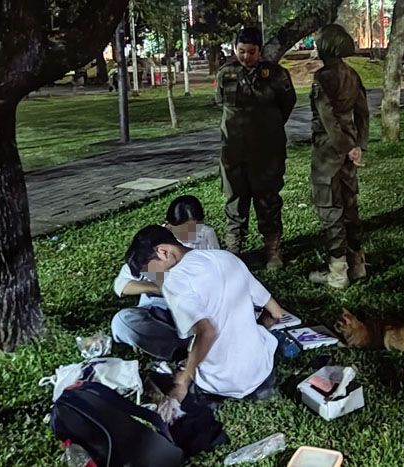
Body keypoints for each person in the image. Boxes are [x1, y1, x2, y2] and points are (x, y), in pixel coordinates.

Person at [124, 225, 285, 401]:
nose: (154, 278)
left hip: (221, 383)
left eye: (150, 271)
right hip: (262, 370)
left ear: (163, 251)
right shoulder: (227, 258)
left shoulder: (174, 281)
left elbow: (207, 332)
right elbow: (275, 312)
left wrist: (183, 381)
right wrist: (251, 335)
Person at [215, 26, 297, 270]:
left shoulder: (276, 74)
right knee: (234, 199)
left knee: (268, 199)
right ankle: (234, 250)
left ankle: (272, 250)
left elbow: (287, 104)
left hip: (267, 152)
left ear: (260, 51)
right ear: (235, 49)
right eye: (241, 51)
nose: (246, 57)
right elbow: (220, 101)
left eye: (251, 52)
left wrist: (267, 126)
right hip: (234, 151)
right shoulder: (226, 73)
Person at [111, 196, 220, 358]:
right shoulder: (152, 241)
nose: (191, 234)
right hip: (159, 308)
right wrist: (159, 288)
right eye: (184, 229)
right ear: (169, 225)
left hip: (196, 307)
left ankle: (170, 344)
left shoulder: (206, 235)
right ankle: (180, 348)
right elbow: (122, 285)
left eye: (195, 228)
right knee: (122, 322)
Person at [308, 24, 369, 290]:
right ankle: (358, 265)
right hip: (348, 153)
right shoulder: (352, 75)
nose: (315, 45)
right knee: (350, 206)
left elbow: (328, 118)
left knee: (330, 208)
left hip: (329, 153)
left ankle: (337, 272)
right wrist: (359, 146)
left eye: (318, 41)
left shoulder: (323, 77)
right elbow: (364, 113)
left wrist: (345, 147)